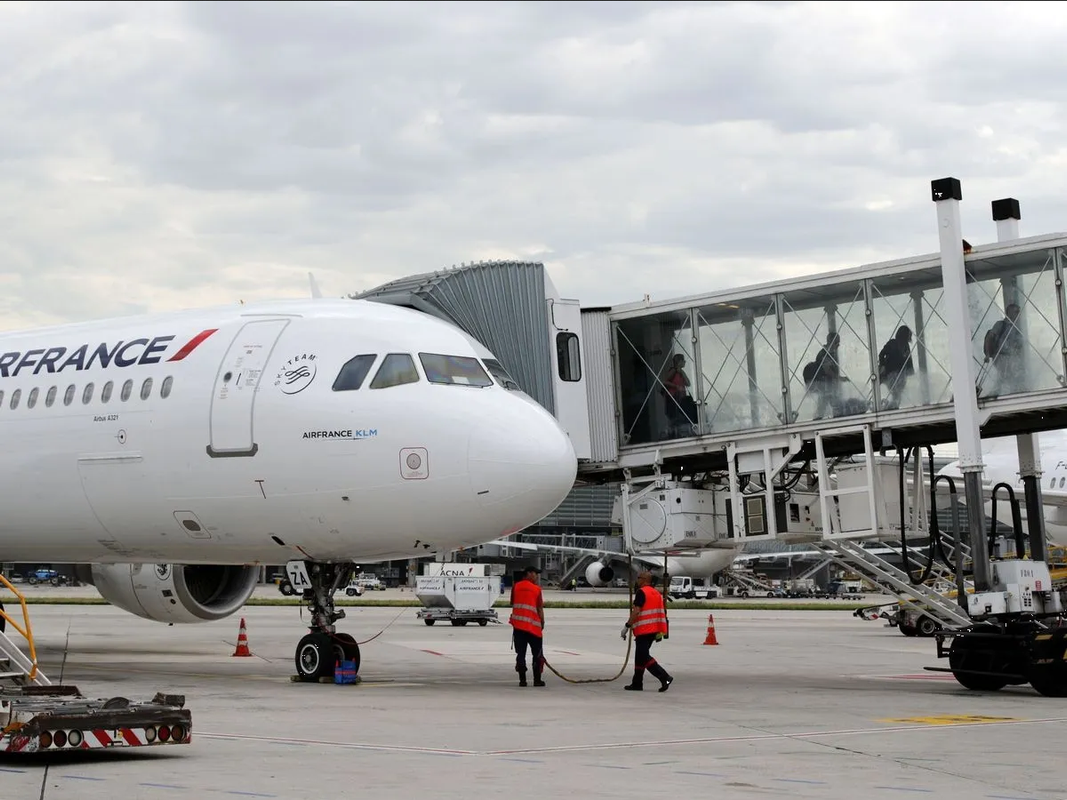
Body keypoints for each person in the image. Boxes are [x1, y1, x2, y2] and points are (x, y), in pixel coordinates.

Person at [621, 570, 673, 692]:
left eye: (638, 578)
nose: (636, 580)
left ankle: (665, 677)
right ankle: (637, 683)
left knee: (643, 656)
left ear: (644, 579)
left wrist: (627, 626)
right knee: (639, 657)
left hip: (644, 630)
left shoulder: (642, 592)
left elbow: (637, 611)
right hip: (654, 630)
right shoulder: (655, 593)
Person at [509, 565, 546, 687]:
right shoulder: (536, 589)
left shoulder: (515, 587)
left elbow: (512, 603)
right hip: (534, 628)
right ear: (529, 573)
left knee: (521, 654)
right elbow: (539, 608)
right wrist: (542, 623)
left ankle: (522, 680)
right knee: (537, 655)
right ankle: (537, 680)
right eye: (535, 574)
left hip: (519, 627)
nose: (537, 576)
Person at [983, 303, 1023, 395]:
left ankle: (1006, 391)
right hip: (1000, 355)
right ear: (1009, 313)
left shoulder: (1015, 327)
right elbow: (990, 338)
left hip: (1010, 356)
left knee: (1008, 376)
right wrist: (988, 354)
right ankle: (997, 392)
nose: (1018, 314)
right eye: (1016, 312)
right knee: (1004, 375)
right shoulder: (1000, 325)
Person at [878, 325, 914, 409]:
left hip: (900, 375)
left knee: (897, 394)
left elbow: (909, 361)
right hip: (891, 373)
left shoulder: (905, 346)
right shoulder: (893, 343)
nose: (910, 338)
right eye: (909, 335)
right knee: (896, 393)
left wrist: (910, 374)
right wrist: (883, 365)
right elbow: (882, 354)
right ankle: (891, 407)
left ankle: (893, 407)